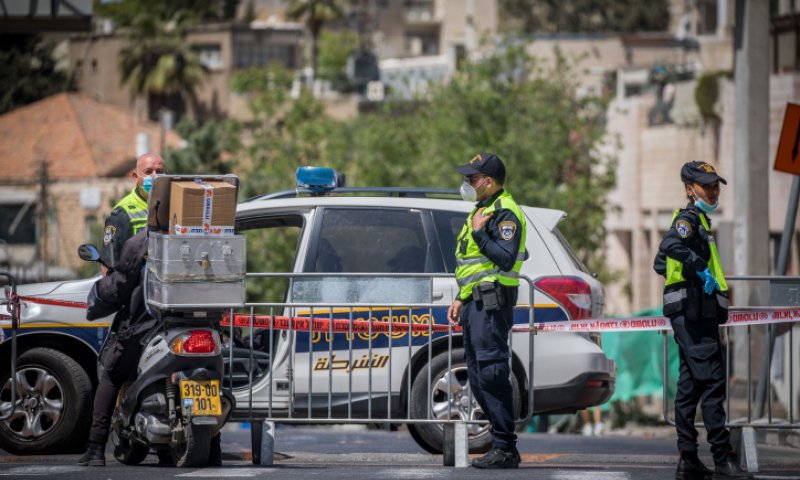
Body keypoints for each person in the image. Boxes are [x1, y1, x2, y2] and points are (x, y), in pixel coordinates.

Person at [77, 232, 223, 467]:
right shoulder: (210, 237)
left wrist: (98, 293)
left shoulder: (143, 242)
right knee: (209, 377)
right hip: (205, 326)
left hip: (147, 328)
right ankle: (215, 450)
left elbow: (119, 285)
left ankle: (95, 448)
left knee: (112, 375)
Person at [653, 161, 751, 479]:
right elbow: (668, 246)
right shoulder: (688, 219)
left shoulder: (701, 223)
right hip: (693, 313)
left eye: (715, 185)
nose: (713, 190)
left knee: (689, 386)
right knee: (711, 384)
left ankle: (689, 459)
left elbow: (660, 263)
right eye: (706, 185)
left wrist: (688, 269)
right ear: (689, 189)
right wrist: (697, 266)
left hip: (695, 314)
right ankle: (723, 458)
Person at [447, 153, 527, 469]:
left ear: (488, 181)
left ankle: (506, 448)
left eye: (472, 178)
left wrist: (481, 233)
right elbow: (474, 266)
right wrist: (460, 298)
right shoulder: (482, 210)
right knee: (479, 376)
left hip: (493, 304)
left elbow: (504, 259)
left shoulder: (505, 212)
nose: (467, 183)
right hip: (475, 303)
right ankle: (501, 445)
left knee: (492, 374)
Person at [102, 153, 166, 269]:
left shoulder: (175, 204)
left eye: (159, 172)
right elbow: (108, 264)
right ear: (136, 177)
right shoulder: (122, 213)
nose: (155, 176)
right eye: (148, 172)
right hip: (137, 284)